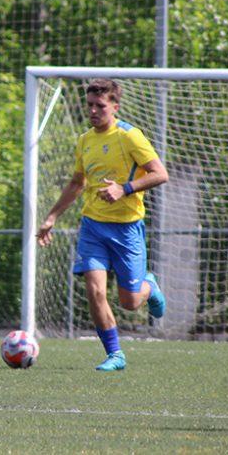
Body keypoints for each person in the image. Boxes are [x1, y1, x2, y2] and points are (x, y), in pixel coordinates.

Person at [36, 78, 169, 372]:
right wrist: (52, 216)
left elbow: (160, 174)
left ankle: (149, 286)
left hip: (126, 228)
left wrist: (125, 188)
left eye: (100, 105)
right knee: (95, 291)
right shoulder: (85, 140)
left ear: (115, 107)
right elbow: (77, 183)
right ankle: (115, 354)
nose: (93, 111)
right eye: (90, 105)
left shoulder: (129, 136)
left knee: (130, 301)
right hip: (93, 227)